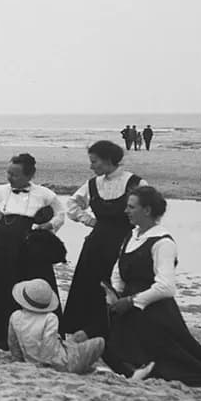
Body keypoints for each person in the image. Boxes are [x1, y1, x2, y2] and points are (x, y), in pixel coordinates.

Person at [103, 186, 201, 388]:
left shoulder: (163, 243)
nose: (126, 211)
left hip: (155, 311)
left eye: (131, 207)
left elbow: (166, 287)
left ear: (147, 210)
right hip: (127, 306)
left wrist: (131, 301)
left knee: (180, 364)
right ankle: (137, 369)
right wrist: (116, 293)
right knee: (107, 342)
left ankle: (143, 369)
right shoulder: (132, 235)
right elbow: (119, 269)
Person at [0, 153, 66, 343]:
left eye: (15, 175)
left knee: (32, 283)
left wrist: (48, 226)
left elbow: (60, 214)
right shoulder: (0, 190)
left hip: (31, 246)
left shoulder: (45, 194)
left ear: (29, 176)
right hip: (2, 244)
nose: (10, 178)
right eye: (8, 173)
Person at [61, 140, 146, 340]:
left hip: (125, 243)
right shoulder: (92, 184)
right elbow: (72, 205)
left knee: (117, 286)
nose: (91, 167)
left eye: (94, 162)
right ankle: (85, 329)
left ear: (108, 160)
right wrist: (89, 220)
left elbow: (148, 210)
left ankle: (115, 329)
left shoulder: (135, 183)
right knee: (88, 285)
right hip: (96, 244)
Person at [8, 279, 104, 374]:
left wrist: (20, 361)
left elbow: (14, 344)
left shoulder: (15, 316)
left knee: (73, 341)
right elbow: (48, 345)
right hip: (60, 363)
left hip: (31, 359)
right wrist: (44, 366)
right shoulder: (50, 318)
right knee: (99, 342)